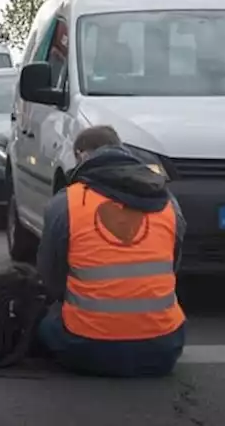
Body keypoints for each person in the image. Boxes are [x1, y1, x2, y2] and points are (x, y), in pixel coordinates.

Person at [35, 125, 186, 377]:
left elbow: (50, 276)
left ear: (82, 155)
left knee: (43, 320)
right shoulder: (167, 201)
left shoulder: (67, 202)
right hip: (163, 348)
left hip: (85, 348)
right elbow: (173, 265)